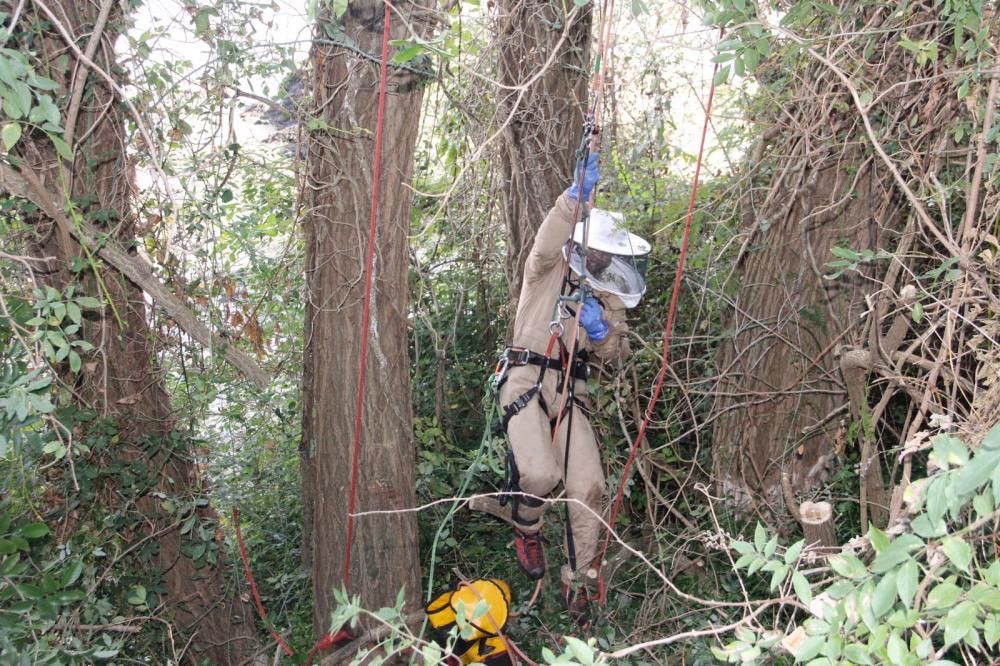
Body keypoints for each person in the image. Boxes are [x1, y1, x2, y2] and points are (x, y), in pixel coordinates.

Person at [495, 153, 650, 628]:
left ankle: (579, 579)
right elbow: (547, 240)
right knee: (538, 475)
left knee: (588, 485)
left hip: (569, 391)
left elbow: (616, 357)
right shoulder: (544, 270)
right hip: (523, 379)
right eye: (595, 250)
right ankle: (527, 524)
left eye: (608, 254)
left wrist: (602, 333)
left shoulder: (607, 298)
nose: (601, 259)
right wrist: (574, 198)